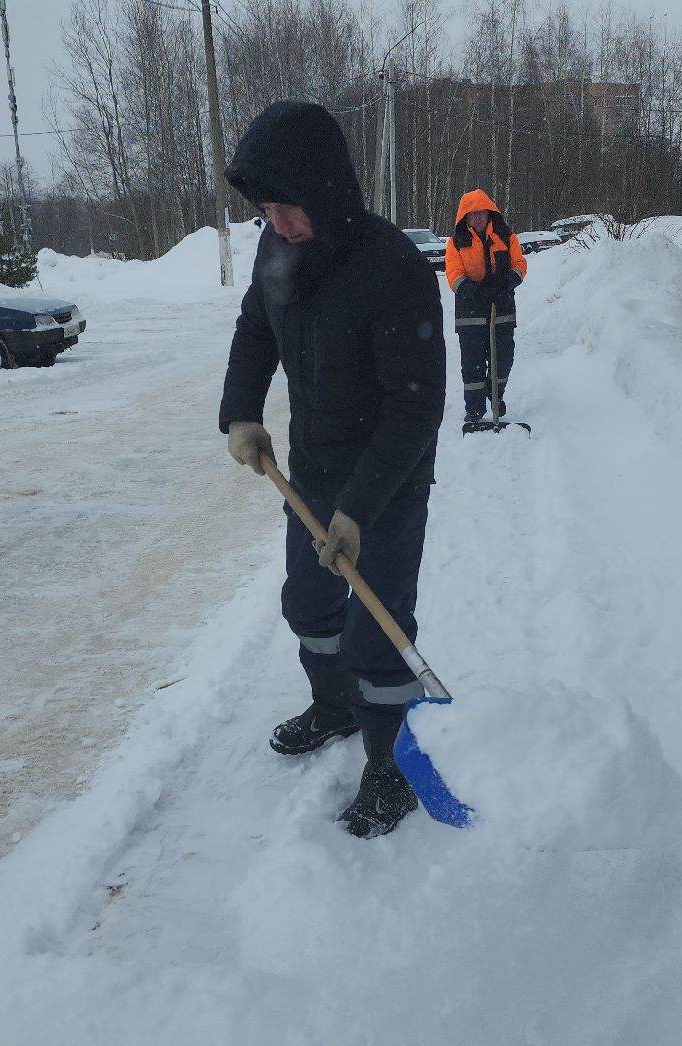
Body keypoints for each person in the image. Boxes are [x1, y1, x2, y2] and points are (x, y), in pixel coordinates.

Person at [218, 100, 446, 839]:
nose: (277, 223)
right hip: (312, 469)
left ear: (326, 192)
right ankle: (336, 705)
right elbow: (257, 327)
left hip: (385, 483)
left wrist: (358, 511)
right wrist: (242, 413)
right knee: (310, 608)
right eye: (267, 209)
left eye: (288, 207)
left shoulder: (394, 270)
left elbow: (415, 412)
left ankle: (389, 767)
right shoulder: (276, 250)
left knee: (377, 633)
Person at [443, 189, 528, 431]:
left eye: (481, 214)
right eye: (472, 215)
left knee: (503, 358)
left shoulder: (506, 236)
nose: (477, 219)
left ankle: (495, 394)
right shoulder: (456, 242)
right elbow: (454, 274)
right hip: (470, 312)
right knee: (472, 363)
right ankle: (474, 409)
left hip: (501, 308)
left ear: (489, 214)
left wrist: (509, 281)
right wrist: (472, 291)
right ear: (465, 219)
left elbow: (519, 264)